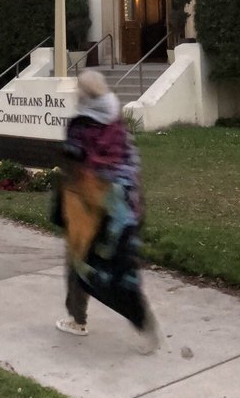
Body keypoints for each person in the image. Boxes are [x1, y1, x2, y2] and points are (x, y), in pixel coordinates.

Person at [54, 69, 160, 353]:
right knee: (123, 268)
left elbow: (72, 165)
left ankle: (78, 319)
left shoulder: (80, 126)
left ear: (83, 95)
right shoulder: (115, 117)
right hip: (125, 207)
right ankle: (141, 318)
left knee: (79, 262)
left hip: (93, 208)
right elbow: (129, 157)